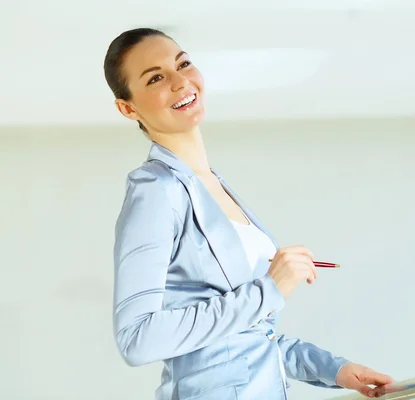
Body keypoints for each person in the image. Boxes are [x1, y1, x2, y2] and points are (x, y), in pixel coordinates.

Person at [104, 27, 393, 400]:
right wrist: (270, 289)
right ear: (128, 108)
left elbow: (243, 340)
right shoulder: (156, 189)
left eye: (184, 63)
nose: (180, 82)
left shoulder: (214, 186)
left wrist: (333, 370)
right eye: (156, 77)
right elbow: (137, 339)